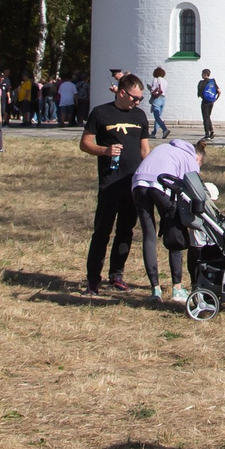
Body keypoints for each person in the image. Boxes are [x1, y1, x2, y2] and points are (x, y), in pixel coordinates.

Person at [79, 74, 151, 292]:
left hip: (133, 184)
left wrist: (148, 175)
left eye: (140, 99)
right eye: (135, 98)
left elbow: (144, 149)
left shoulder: (139, 116)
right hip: (110, 183)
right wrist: (105, 150)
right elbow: (84, 143)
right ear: (122, 92)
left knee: (126, 231)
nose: (137, 102)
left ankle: (116, 274)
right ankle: (93, 278)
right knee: (102, 231)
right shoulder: (101, 113)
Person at [131, 136, 206, 303]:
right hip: (160, 186)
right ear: (198, 157)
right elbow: (195, 190)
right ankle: (177, 288)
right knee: (175, 235)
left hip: (138, 183)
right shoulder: (191, 158)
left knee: (149, 236)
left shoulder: (164, 148)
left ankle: (155, 289)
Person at [196, 68, 220, 140]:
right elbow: (219, 91)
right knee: (208, 117)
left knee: (205, 118)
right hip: (211, 102)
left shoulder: (201, 82)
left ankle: (207, 135)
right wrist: (215, 99)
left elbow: (199, 94)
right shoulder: (212, 82)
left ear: (204, 74)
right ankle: (211, 131)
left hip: (205, 102)